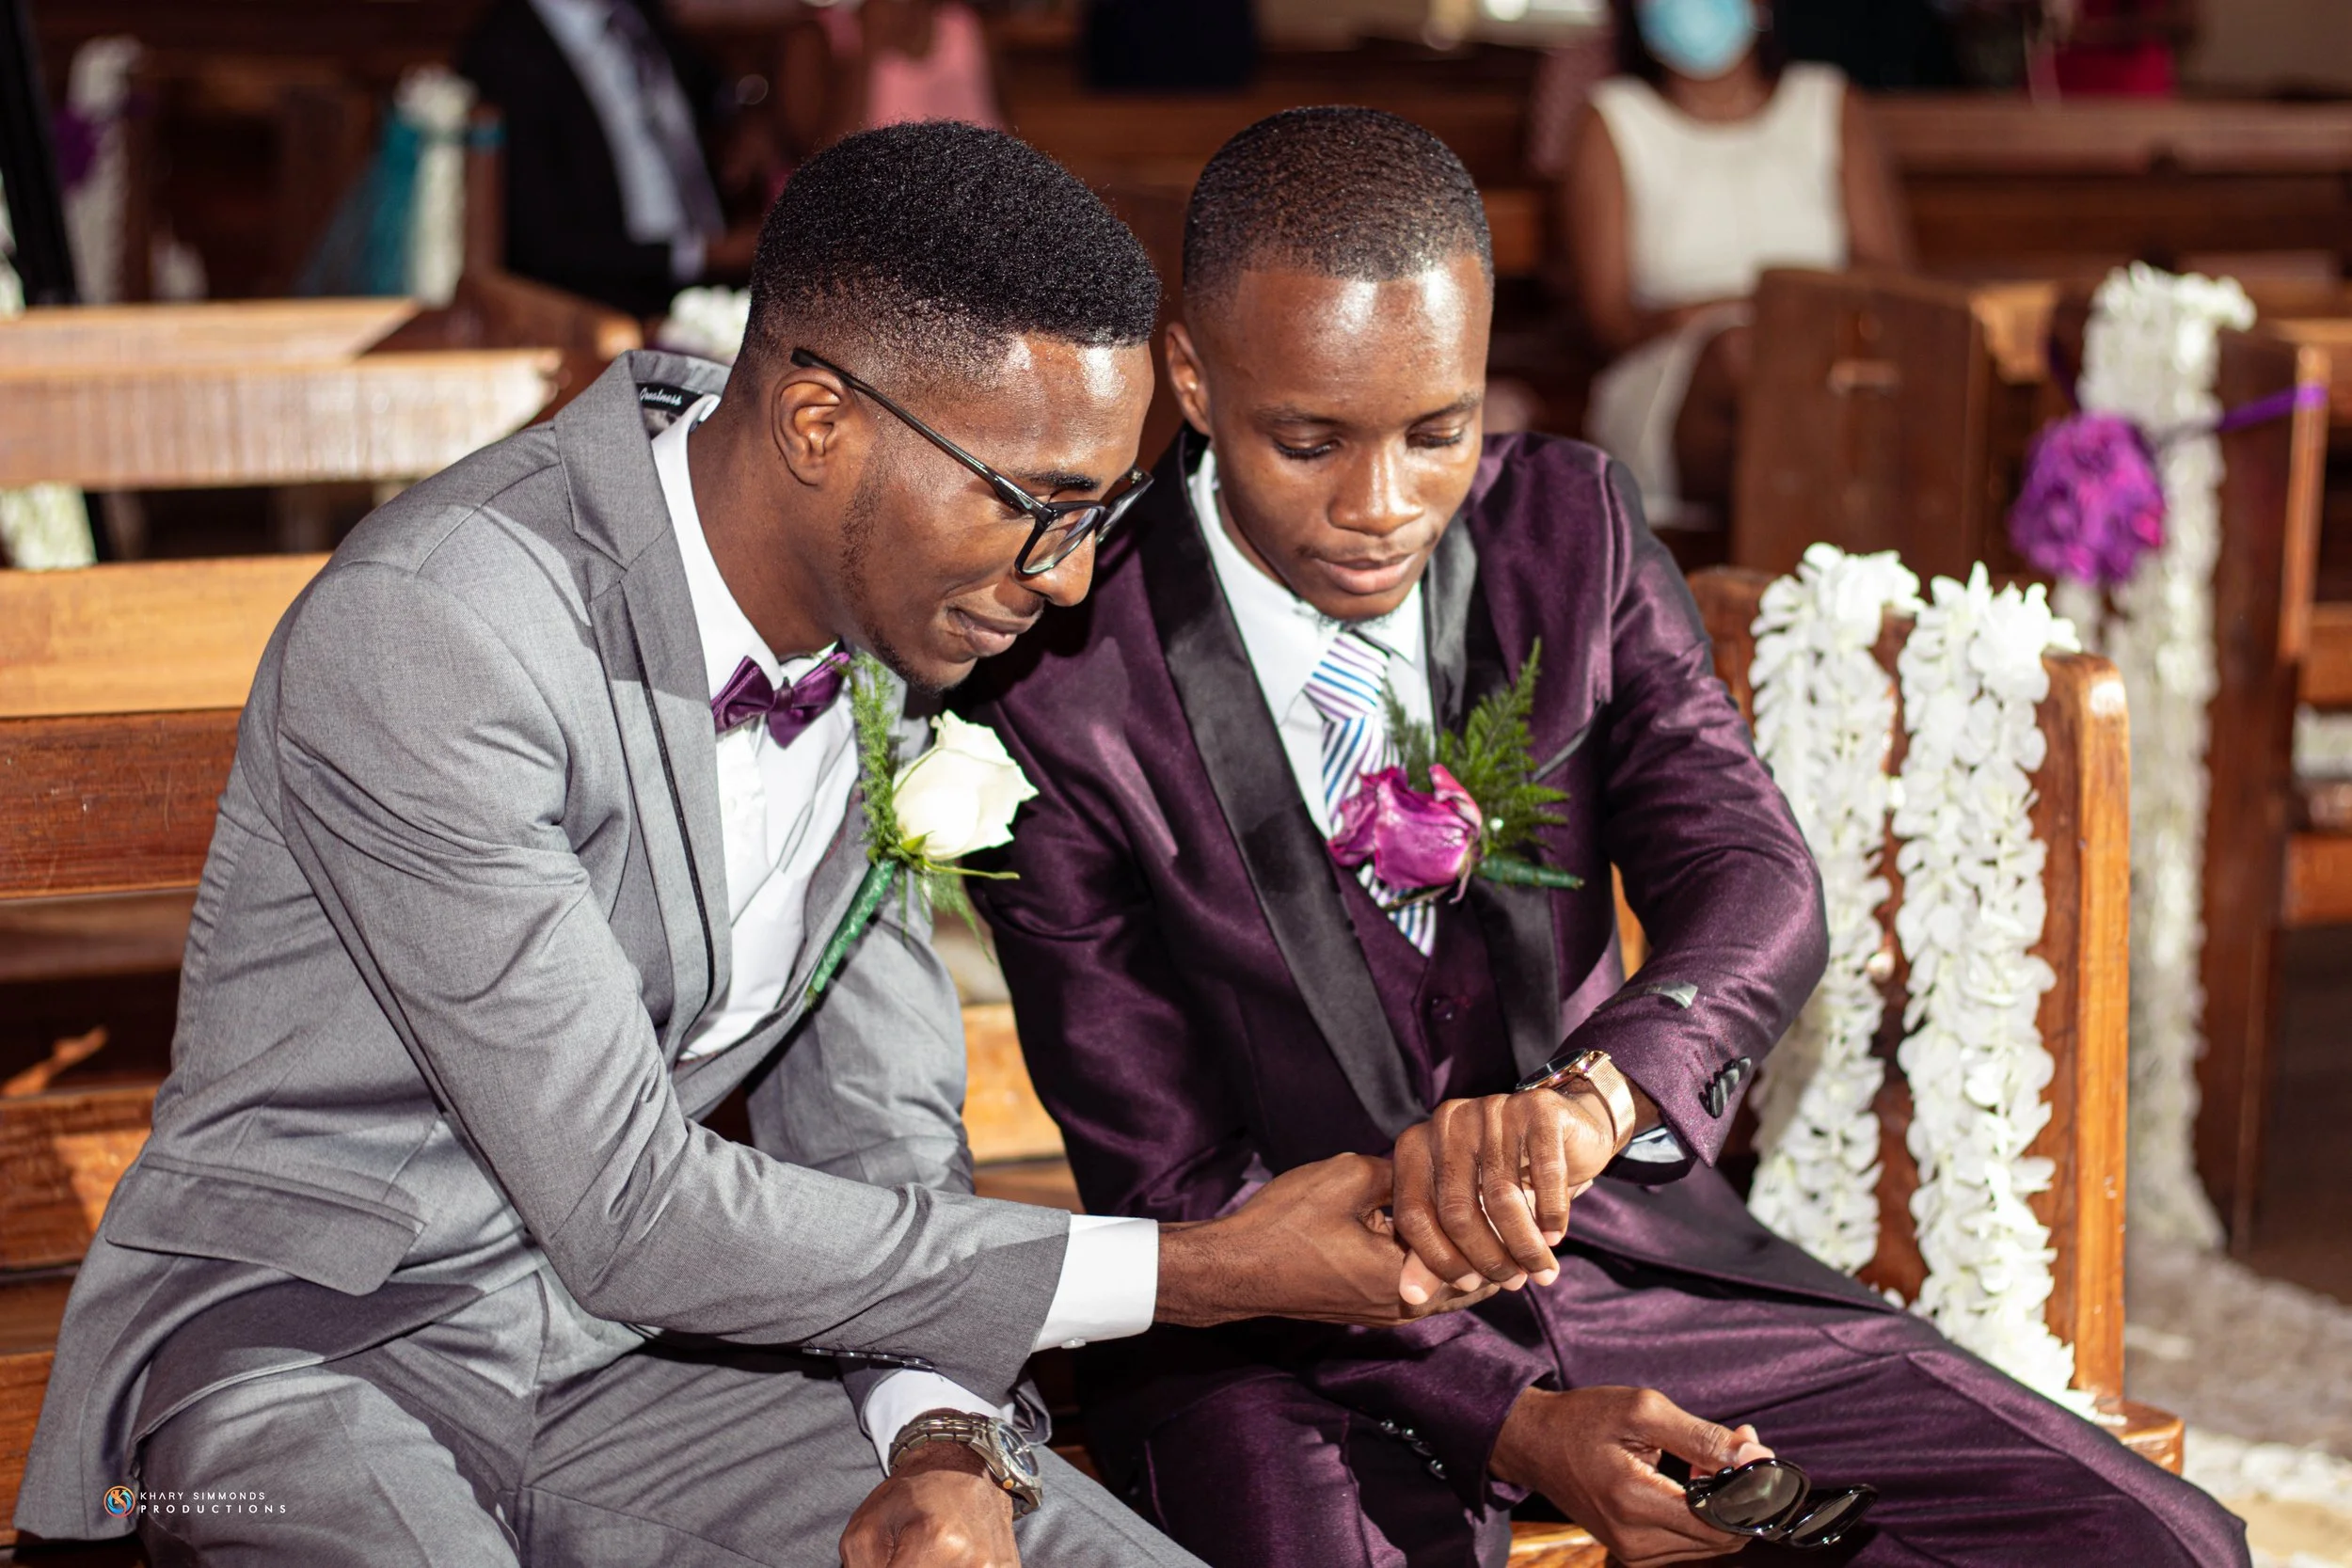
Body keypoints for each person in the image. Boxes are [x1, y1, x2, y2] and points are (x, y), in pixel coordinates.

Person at [12, 121, 1490, 1567]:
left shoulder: (897, 637)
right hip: (307, 1358)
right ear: (816, 422)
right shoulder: (446, 626)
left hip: (639, 1363)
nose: (1072, 575)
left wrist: (938, 1434)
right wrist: (1204, 1271)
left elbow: (876, 1128)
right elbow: (634, 1206)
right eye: (1036, 506)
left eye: (1100, 507)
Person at [964, 106, 2251, 1568]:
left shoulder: (1564, 527)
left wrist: (1593, 1101)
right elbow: (1172, 1182)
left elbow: (1752, 876)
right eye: (1309, 440)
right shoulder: (1062, 680)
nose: (1381, 507)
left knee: (2162, 1546)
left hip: (1640, 1268)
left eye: (1437, 431)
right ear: (1191, 373)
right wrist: (1512, 1414)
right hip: (1284, 1340)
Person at [1566, 0, 1913, 529]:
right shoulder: (1613, 118)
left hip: (1831, 349)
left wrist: (1772, 308)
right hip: (1672, 378)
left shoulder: (1826, 101)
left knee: (1807, 369)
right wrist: (1717, 318)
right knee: (1743, 355)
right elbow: (1609, 319)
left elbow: (1890, 276)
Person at [459, 0, 765, 317]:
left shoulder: (636, 17)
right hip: (611, 309)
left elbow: (710, 91)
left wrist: (751, 118)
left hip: (723, 291)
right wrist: (699, 255)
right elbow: (542, 247)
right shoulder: (503, 53)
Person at [781, 0, 1004, 162]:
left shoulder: (966, 28)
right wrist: (866, 53)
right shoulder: (817, 40)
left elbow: (1005, 140)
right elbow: (822, 168)